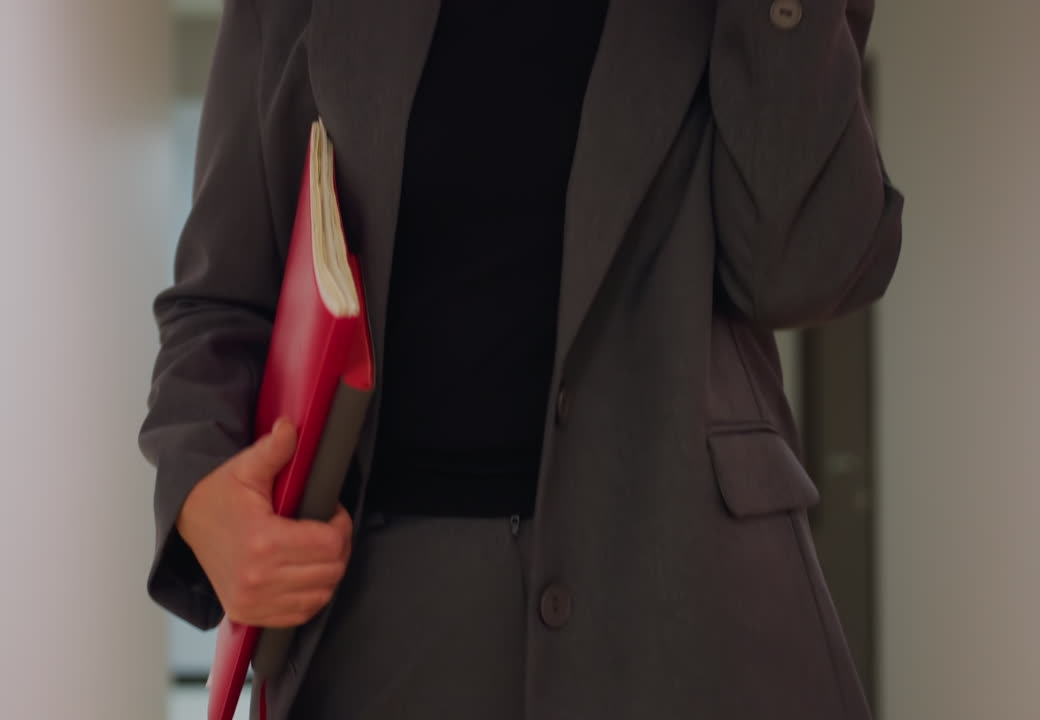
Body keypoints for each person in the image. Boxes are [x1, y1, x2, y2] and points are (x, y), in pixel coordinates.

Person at [138, 0, 903, 718]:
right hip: (387, 621)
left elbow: (804, 269)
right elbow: (221, 299)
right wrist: (201, 492)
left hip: (693, 606)